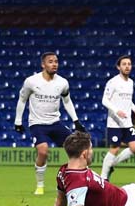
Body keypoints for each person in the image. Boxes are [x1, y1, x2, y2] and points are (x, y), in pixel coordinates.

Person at [14, 52, 86, 195]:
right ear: (43, 64)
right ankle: (40, 185)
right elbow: (22, 100)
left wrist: (76, 120)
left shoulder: (62, 83)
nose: (54, 64)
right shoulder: (31, 81)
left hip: (55, 123)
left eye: (56, 61)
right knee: (43, 151)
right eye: (50, 62)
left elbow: (67, 101)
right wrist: (18, 120)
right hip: (37, 124)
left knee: (77, 148)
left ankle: (80, 180)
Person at [100, 55, 135, 181]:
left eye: (129, 64)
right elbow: (104, 100)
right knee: (115, 148)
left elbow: (128, 100)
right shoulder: (113, 82)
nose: (127, 66)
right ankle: (103, 177)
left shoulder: (131, 82)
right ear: (119, 67)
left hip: (127, 122)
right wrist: (117, 111)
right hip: (114, 122)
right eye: (124, 64)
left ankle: (112, 164)